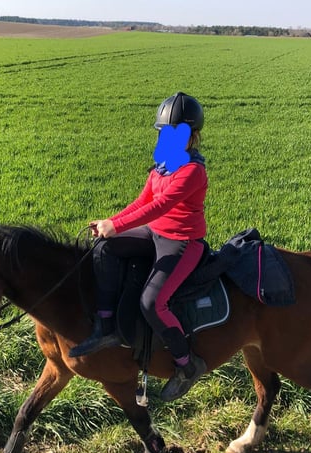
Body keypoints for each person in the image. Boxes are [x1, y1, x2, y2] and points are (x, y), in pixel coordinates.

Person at [69, 92, 208, 402]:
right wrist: (110, 222)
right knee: (104, 248)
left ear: (193, 136)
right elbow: (142, 202)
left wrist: (117, 226)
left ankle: (187, 364)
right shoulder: (162, 166)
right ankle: (106, 326)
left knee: (153, 303)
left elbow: (161, 205)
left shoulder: (192, 172)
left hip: (182, 241)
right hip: (153, 232)